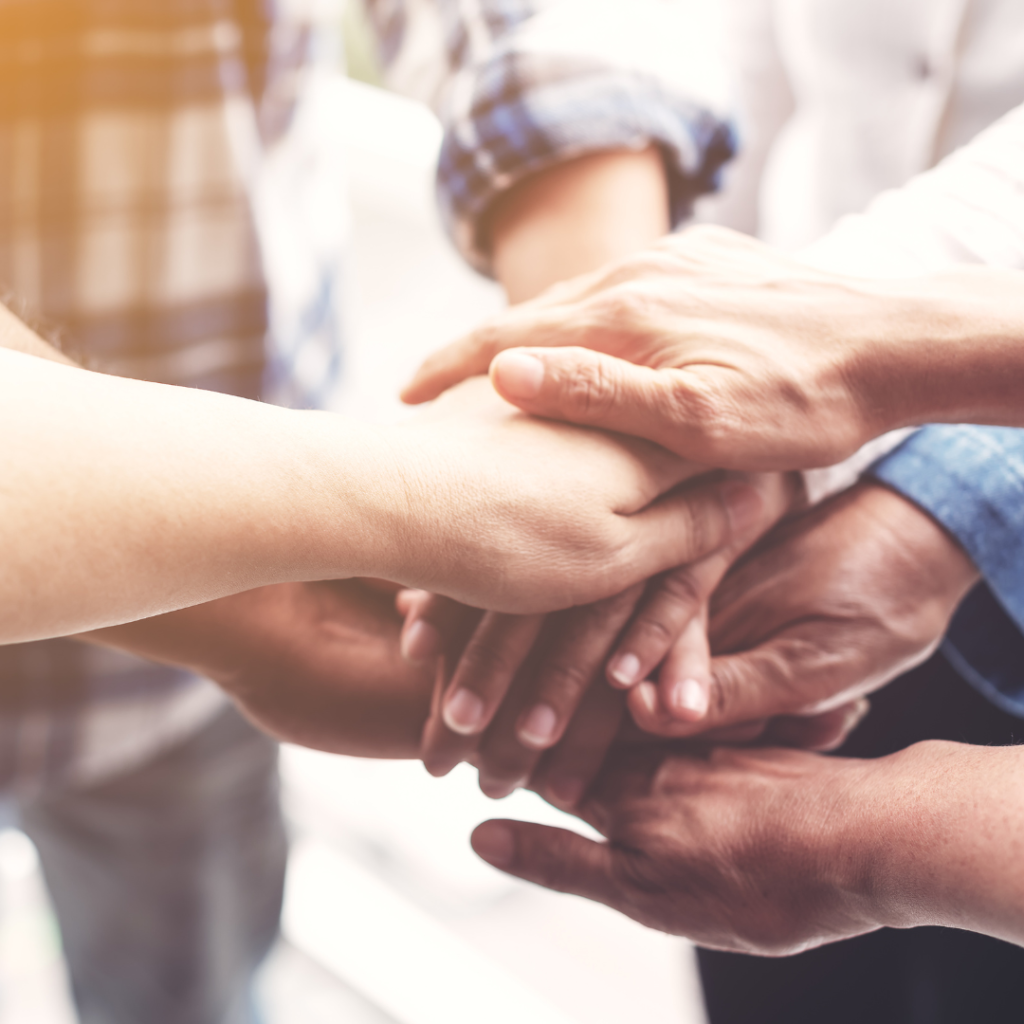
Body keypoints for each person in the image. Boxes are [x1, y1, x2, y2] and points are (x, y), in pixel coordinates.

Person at [383, 2, 1024, 1019]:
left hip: (826, 473)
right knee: (766, 950)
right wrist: (674, 407)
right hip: (767, 514)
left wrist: (846, 372)